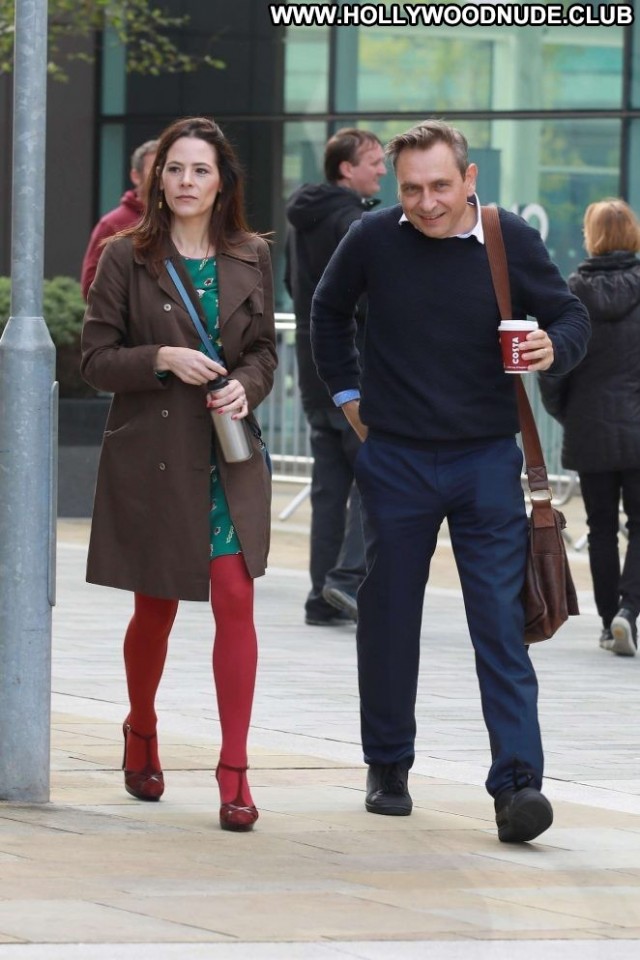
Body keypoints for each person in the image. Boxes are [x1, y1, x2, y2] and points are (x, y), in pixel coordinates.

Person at [310, 119, 590, 843]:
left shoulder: (506, 238)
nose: (426, 202)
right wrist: (348, 398)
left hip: (486, 460)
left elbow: (569, 313)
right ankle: (388, 765)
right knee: (389, 616)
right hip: (396, 460)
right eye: (410, 189)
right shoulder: (372, 237)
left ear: (469, 179)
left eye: (440, 185)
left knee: (499, 622)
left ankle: (518, 786)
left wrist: (552, 345)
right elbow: (327, 312)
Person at [80, 116, 277, 832]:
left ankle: (235, 771)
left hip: (226, 453)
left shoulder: (252, 254)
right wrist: (161, 358)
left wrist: (245, 387)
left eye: (201, 170)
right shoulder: (124, 256)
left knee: (236, 595)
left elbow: (263, 352)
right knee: (156, 607)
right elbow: (95, 360)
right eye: (175, 168)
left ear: (222, 181)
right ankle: (141, 726)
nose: (187, 181)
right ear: (155, 179)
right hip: (156, 459)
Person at [285, 128, 386, 626]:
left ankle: (321, 598)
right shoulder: (354, 223)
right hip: (354, 367)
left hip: (313, 367)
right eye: (374, 161)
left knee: (329, 488)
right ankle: (346, 579)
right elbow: (368, 296)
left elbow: (292, 284)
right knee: (376, 474)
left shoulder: (301, 221)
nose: (383, 170)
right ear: (346, 168)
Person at [539, 198, 640, 658]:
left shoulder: (571, 292)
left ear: (591, 236)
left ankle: (606, 622)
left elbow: (553, 365)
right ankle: (629, 610)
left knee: (599, 528)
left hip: (590, 427)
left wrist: (569, 413)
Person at [80, 138, 158, 299]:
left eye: (169, 169)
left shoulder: (182, 220)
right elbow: (90, 286)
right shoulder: (112, 224)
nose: (162, 176)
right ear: (136, 176)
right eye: (155, 170)